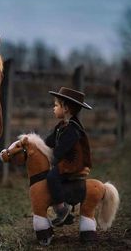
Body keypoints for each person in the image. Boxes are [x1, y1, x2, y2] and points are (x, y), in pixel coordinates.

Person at [45, 87, 92, 226]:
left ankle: (61, 209)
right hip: (66, 160)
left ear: (65, 108)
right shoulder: (61, 126)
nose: (53, 108)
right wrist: (37, 143)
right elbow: (49, 141)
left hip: (74, 162)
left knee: (52, 176)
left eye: (56, 105)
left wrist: (52, 159)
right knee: (52, 173)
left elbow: (61, 150)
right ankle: (66, 210)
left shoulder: (73, 129)